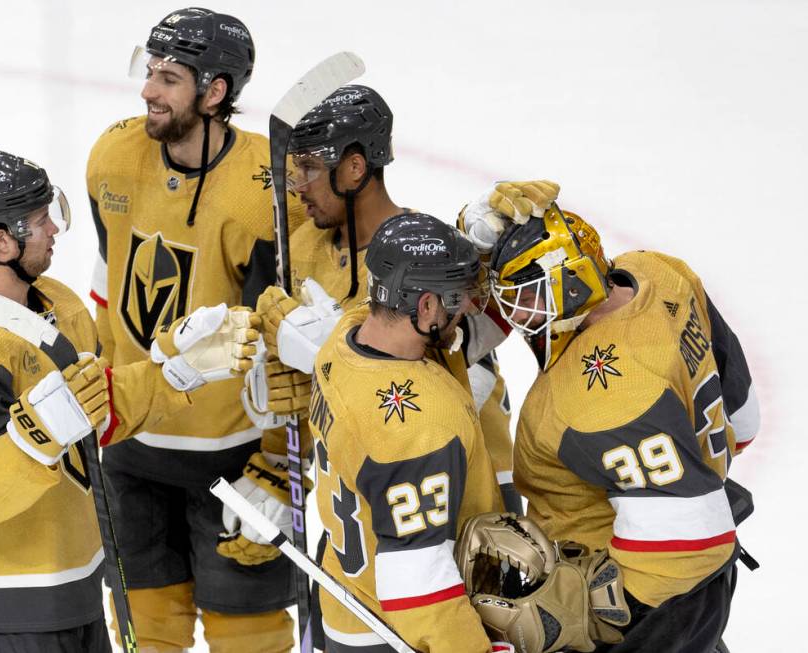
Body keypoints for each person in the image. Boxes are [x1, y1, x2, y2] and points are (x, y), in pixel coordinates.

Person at [0, 150, 258, 651]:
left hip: (69, 576)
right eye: (38, 220)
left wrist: (178, 373)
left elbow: (94, 417)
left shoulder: (59, 304)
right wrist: (45, 425)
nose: (54, 229)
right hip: (4, 594)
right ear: (2, 240)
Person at [86, 7, 306, 651]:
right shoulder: (113, 156)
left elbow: (282, 338)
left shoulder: (266, 188)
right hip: (128, 441)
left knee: (251, 635)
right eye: (149, 72)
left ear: (215, 92)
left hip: (230, 457)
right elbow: (107, 288)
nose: (149, 90)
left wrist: (275, 470)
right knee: (146, 635)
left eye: (171, 78)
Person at [457, 198, 759, 652]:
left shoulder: (600, 397)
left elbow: (689, 545)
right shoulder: (658, 273)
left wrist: (586, 613)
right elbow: (743, 415)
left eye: (529, 297)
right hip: (709, 562)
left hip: (654, 601)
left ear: (573, 282)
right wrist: (484, 234)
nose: (516, 315)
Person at [249, 84, 522, 513]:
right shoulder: (303, 245)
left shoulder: (429, 254)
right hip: (379, 479)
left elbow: (460, 375)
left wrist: (321, 359)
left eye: (309, 168)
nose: (296, 187)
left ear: (355, 168)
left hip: (464, 475)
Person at [304, 212, 506, 652]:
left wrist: (485, 236)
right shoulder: (420, 424)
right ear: (427, 307)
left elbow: (469, 329)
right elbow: (422, 595)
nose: (467, 308)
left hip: (347, 600)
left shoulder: (346, 335)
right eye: (457, 299)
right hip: (395, 635)